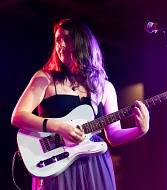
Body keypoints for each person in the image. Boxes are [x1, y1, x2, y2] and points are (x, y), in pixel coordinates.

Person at [11, 18, 150, 190]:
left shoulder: (104, 87)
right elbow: (18, 116)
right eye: (57, 40)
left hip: (94, 164)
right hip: (56, 163)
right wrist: (58, 127)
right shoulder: (45, 78)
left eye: (67, 38)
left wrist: (140, 130)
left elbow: (113, 135)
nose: (60, 45)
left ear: (82, 42)